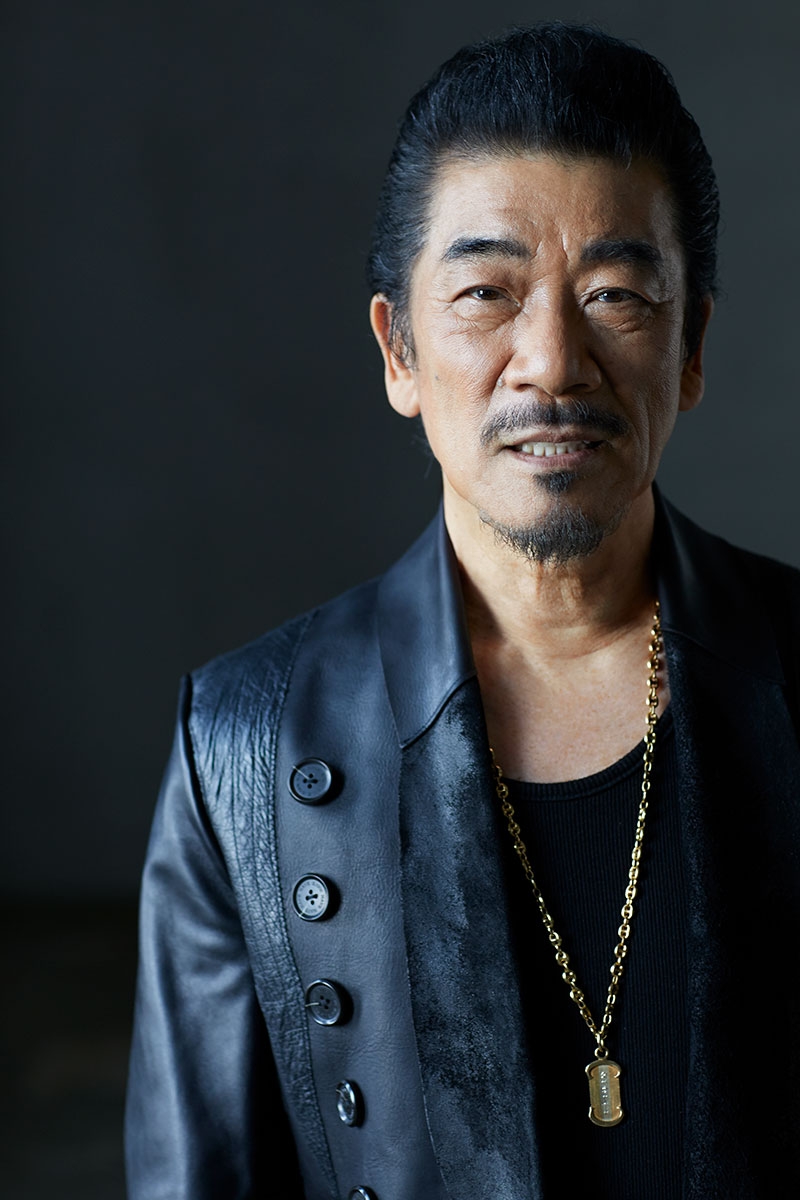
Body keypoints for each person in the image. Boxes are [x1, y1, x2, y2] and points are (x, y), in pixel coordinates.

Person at [125, 23, 800, 1200]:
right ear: (397, 351)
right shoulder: (241, 745)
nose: (550, 362)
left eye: (613, 295)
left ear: (688, 347)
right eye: (486, 293)